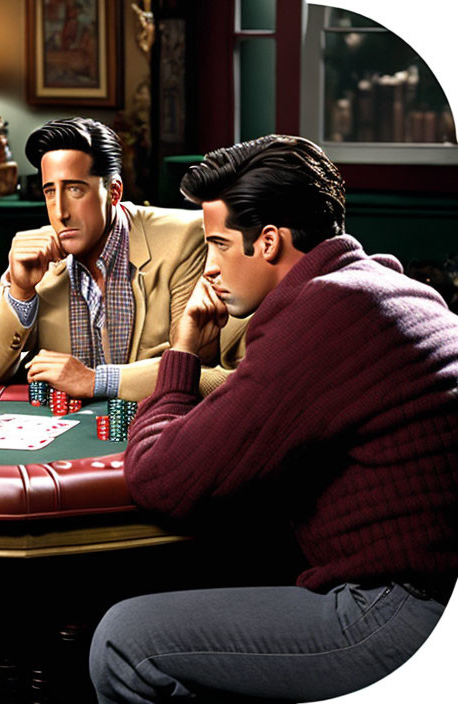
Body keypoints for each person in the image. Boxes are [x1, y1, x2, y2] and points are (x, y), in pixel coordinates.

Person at [89, 134, 458, 702]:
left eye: (215, 245)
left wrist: (183, 351)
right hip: (429, 593)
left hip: (403, 610)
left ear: (267, 242)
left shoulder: (325, 316)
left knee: (122, 641)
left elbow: (160, 480)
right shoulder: (394, 289)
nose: (208, 268)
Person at [0, 117, 247, 402]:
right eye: (50, 192)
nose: (60, 212)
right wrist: (20, 292)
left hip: (156, 430)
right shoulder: (38, 255)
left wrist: (95, 381)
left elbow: (198, 370)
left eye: (74, 189)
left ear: (114, 193)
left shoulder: (184, 238)